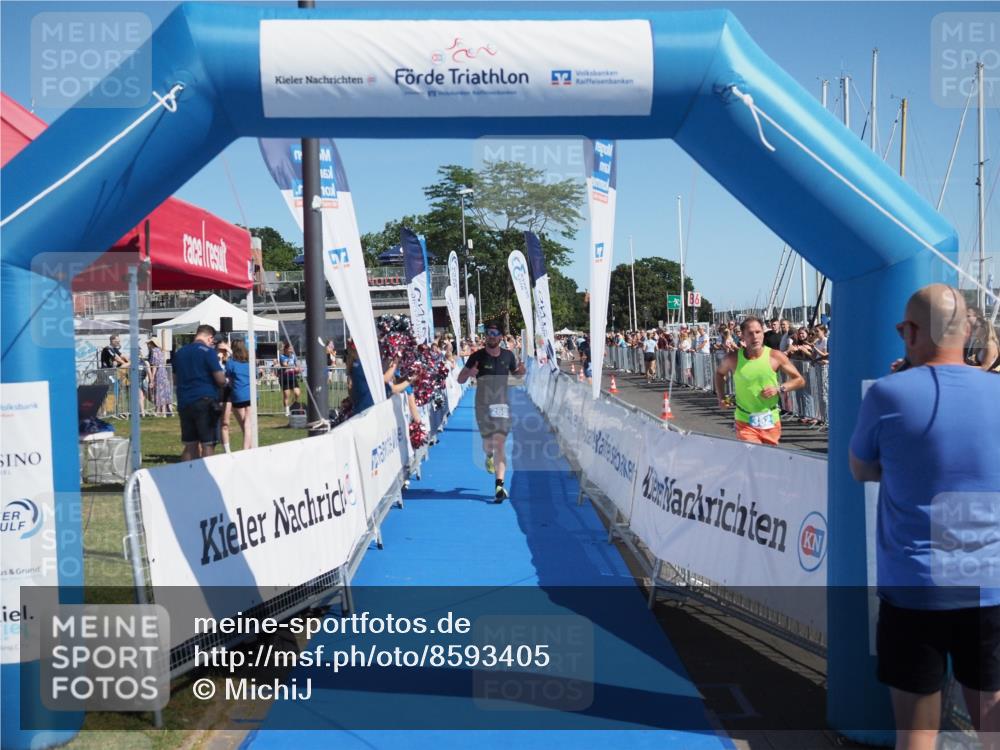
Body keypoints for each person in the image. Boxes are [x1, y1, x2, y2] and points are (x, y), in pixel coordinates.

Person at [849, 284, 1000, 750]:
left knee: (916, 734)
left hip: (916, 586)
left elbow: (861, 469)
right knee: (993, 723)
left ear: (911, 332)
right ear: (967, 331)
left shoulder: (888, 394)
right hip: (989, 585)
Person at [457, 323, 525, 503]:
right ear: (486, 336)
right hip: (482, 405)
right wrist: (470, 372)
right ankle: (488, 455)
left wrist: (521, 371)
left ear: (501, 336)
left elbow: (516, 374)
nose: (491, 336)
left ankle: (499, 486)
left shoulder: (508, 355)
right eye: (488, 333)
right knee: (489, 444)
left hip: (501, 404)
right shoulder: (476, 356)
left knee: (500, 444)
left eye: (495, 333)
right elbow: (460, 379)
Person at [713, 316, 805, 445]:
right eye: (750, 333)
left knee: (768, 457)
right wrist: (721, 397)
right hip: (744, 420)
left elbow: (799, 380)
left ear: (763, 333)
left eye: (758, 332)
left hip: (770, 419)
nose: (755, 337)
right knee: (752, 452)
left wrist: (779, 388)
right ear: (742, 336)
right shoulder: (733, 358)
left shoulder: (775, 356)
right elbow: (719, 374)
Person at [172, 324, 226, 461]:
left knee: (190, 445)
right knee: (208, 444)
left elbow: (175, 379)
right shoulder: (208, 352)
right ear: (210, 338)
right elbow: (220, 379)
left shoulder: (180, 353)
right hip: (205, 401)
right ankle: (206, 471)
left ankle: (187, 472)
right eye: (212, 341)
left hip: (184, 401)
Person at [222, 338, 254, 452]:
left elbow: (228, 377)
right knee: (247, 424)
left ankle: (247, 450)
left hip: (238, 395)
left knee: (245, 424)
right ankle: (249, 449)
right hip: (251, 395)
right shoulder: (250, 362)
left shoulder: (230, 363)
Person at [100, 334, 130, 416]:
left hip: (111, 372)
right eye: (117, 340)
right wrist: (126, 364)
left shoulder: (115, 349)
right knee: (106, 391)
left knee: (111, 391)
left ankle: (110, 410)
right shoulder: (107, 349)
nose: (119, 342)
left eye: (119, 340)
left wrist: (128, 362)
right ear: (112, 340)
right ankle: (104, 411)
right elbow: (117, 358)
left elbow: (122, 356)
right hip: (105, 372)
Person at [147, 339, 173, 417]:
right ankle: (166, 411)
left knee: (159, 392)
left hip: (159, 374)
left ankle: (160, 412)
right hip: (163, 373)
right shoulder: (160, 351)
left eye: (148, 343)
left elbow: (155, 366)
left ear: (151, 344)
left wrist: (152, 378)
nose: (148, 345)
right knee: (164, 392)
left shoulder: (154, 351)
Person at [278, 342, 302, 416]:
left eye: (292, 349)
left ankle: (293, 404)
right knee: (286, 395)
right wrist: (294, 368)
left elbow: (297, 365)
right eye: (290, 349)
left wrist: (298, 369)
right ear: (286, 349)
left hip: (292, 377)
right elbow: (285, 365)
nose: (291, 350)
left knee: (297, 393)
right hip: (285, 377)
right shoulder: (282, 356)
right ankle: (287, 411)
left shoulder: (293, 356)